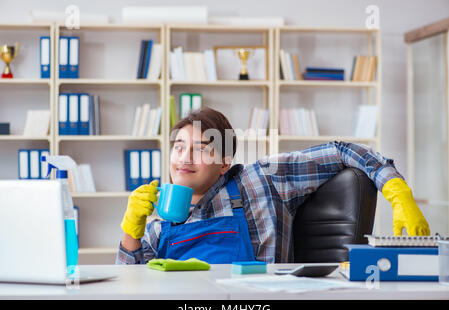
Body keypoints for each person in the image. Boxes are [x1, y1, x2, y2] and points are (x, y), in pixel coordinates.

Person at [116, 107, 430, 264]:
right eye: (178, 146)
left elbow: (342, 151)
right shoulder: (161, 223)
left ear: (225, 162)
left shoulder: (263, 179)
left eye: (201, 147)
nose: (183, 158)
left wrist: (397, 193)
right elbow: (133, 286)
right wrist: (132, 230)